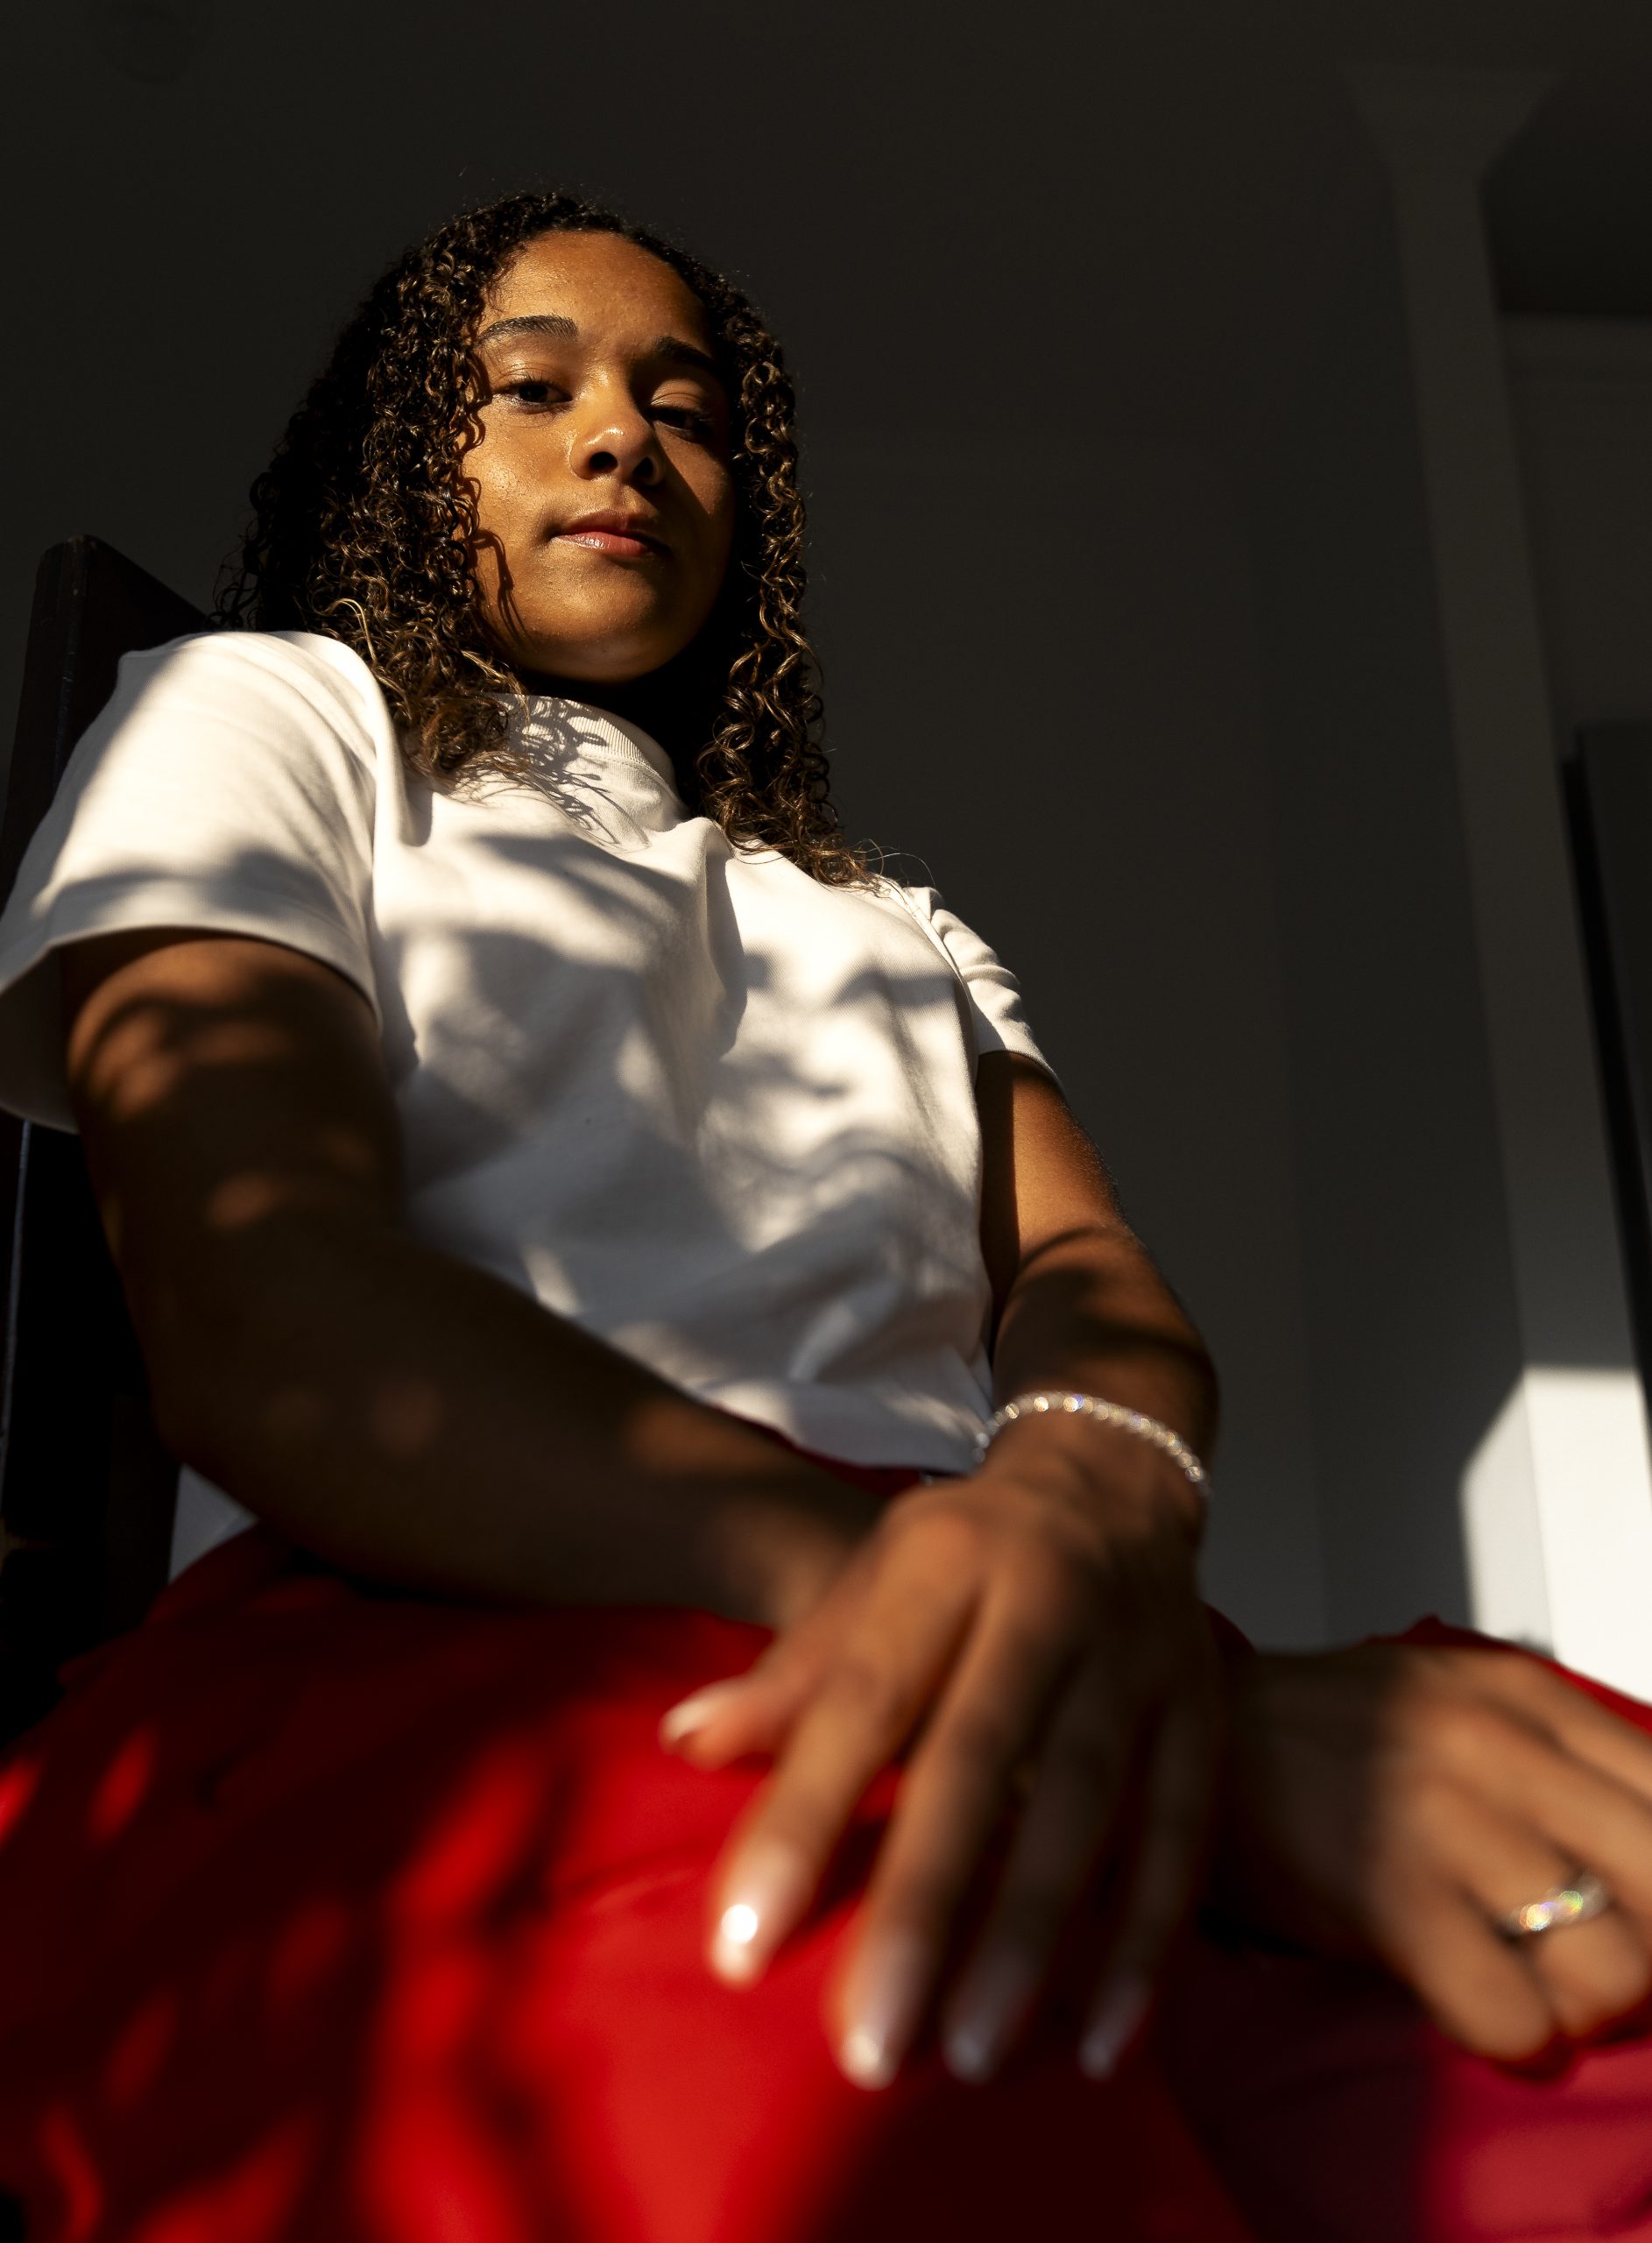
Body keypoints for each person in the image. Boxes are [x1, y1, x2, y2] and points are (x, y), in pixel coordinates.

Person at [0, 188, 1649, 2243]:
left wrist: (1089, 1495)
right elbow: (273, 1309)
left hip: (1025, 1633)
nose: (622, 436)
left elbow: (1083, 1273)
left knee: (1577, 1973)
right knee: (881, 2129)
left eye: (685, 410)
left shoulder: (880, 910)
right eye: (530, 388)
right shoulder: (267, 716)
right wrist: (1059, 1672)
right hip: (471, 1646)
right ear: (402, 457)